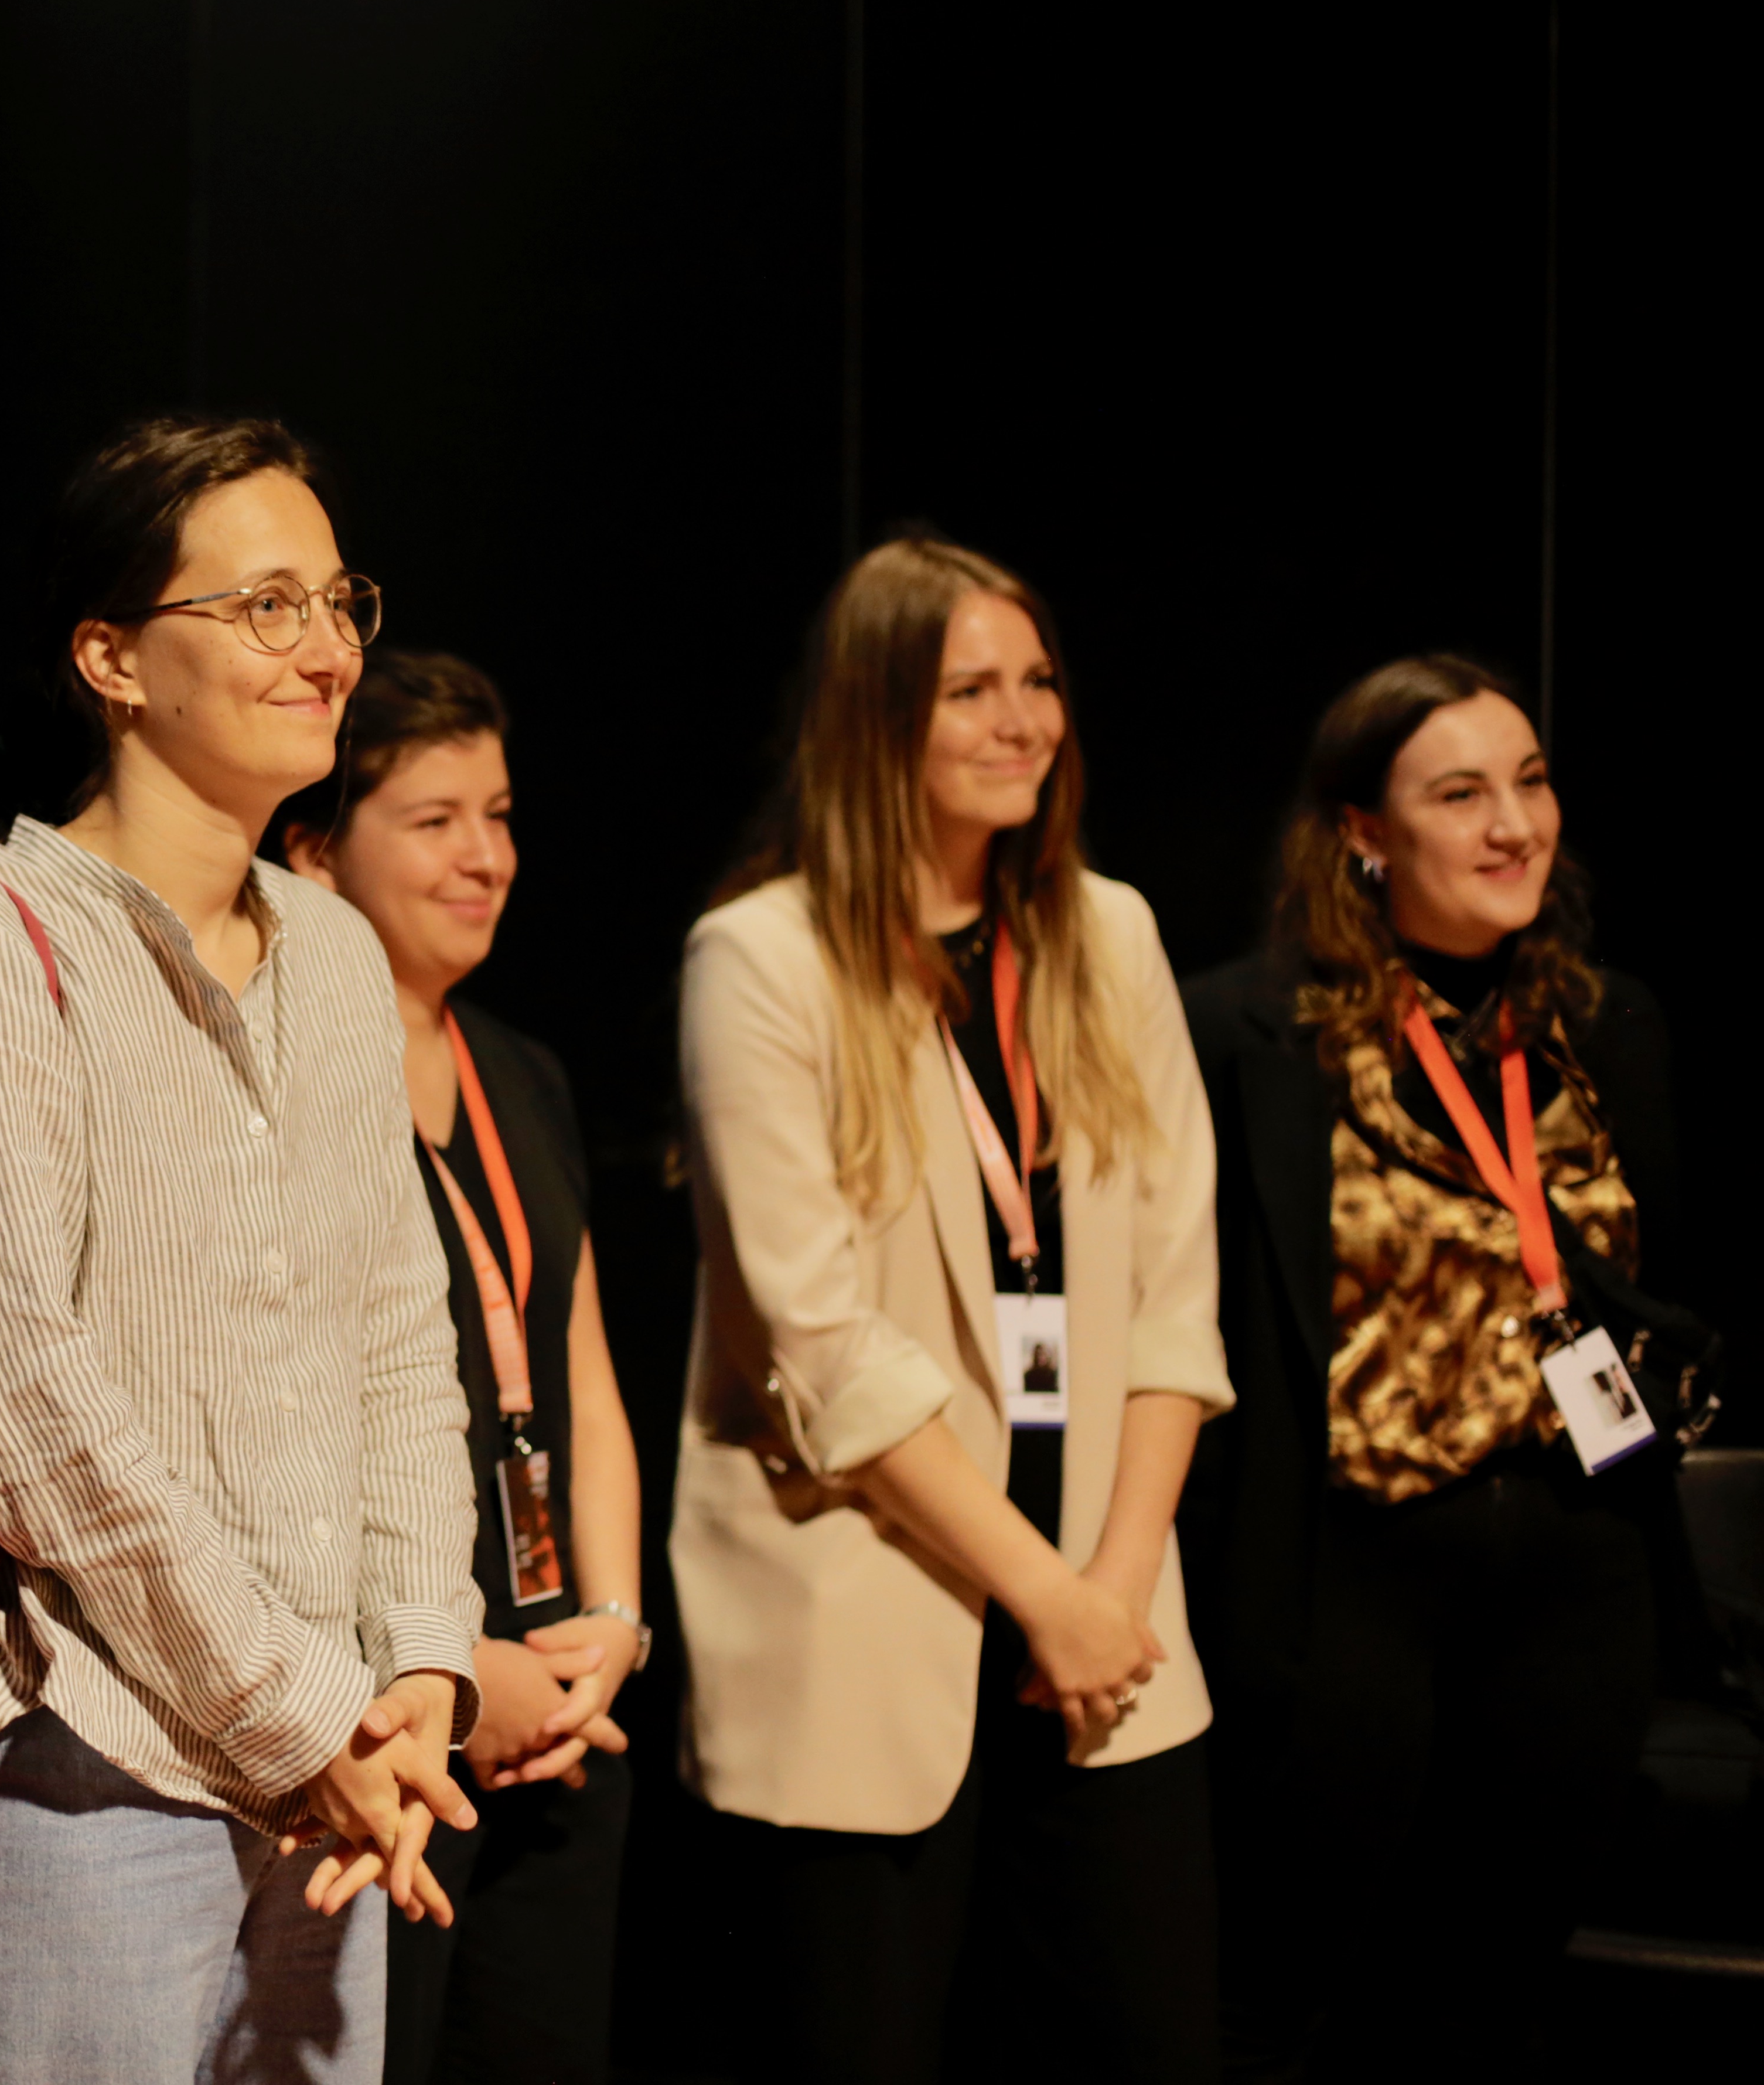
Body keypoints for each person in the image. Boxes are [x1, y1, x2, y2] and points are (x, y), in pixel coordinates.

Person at [0, 417, 483, 2083]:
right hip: (83, 1773)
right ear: (111, 658)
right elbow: (12, 1409)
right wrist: (294, 1710)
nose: (327, 649)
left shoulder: (336, 955)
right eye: (265, 607)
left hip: (341, 1782)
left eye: (339, 602)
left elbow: (400, 1340)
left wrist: (421, 1666)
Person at [668, 537, 1229, 2085]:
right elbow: (821, 1348)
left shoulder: (1111, 933)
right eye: (971, 690)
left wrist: (1109, 1590)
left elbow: (1177, 1294)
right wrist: (1044, 1592)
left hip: (1113, 1642)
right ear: (873, 718)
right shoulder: (762, 959)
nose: (1023, 720)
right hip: (874, 1617)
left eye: (1038, 682)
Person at [1178, 657, 1693, 2084]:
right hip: (1354, 1572)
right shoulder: (1247, 1033)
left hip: (1580, 1563)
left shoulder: (1609, 1021)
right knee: (1277, 1993)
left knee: (1487, 1999)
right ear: (1363, 831)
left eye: (1530, 782)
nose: (1514, 825)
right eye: (1461, 794)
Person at [276, 652, 648, 2084]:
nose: (486, 858)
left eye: (497, 817)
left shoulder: (522, 1070)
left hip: (566, 1696)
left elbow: (583, 1370)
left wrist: (612, 1620)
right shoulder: (289, 1074)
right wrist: (450, 1664)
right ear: (317, 850)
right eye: (434, 822)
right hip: (397, 1709)